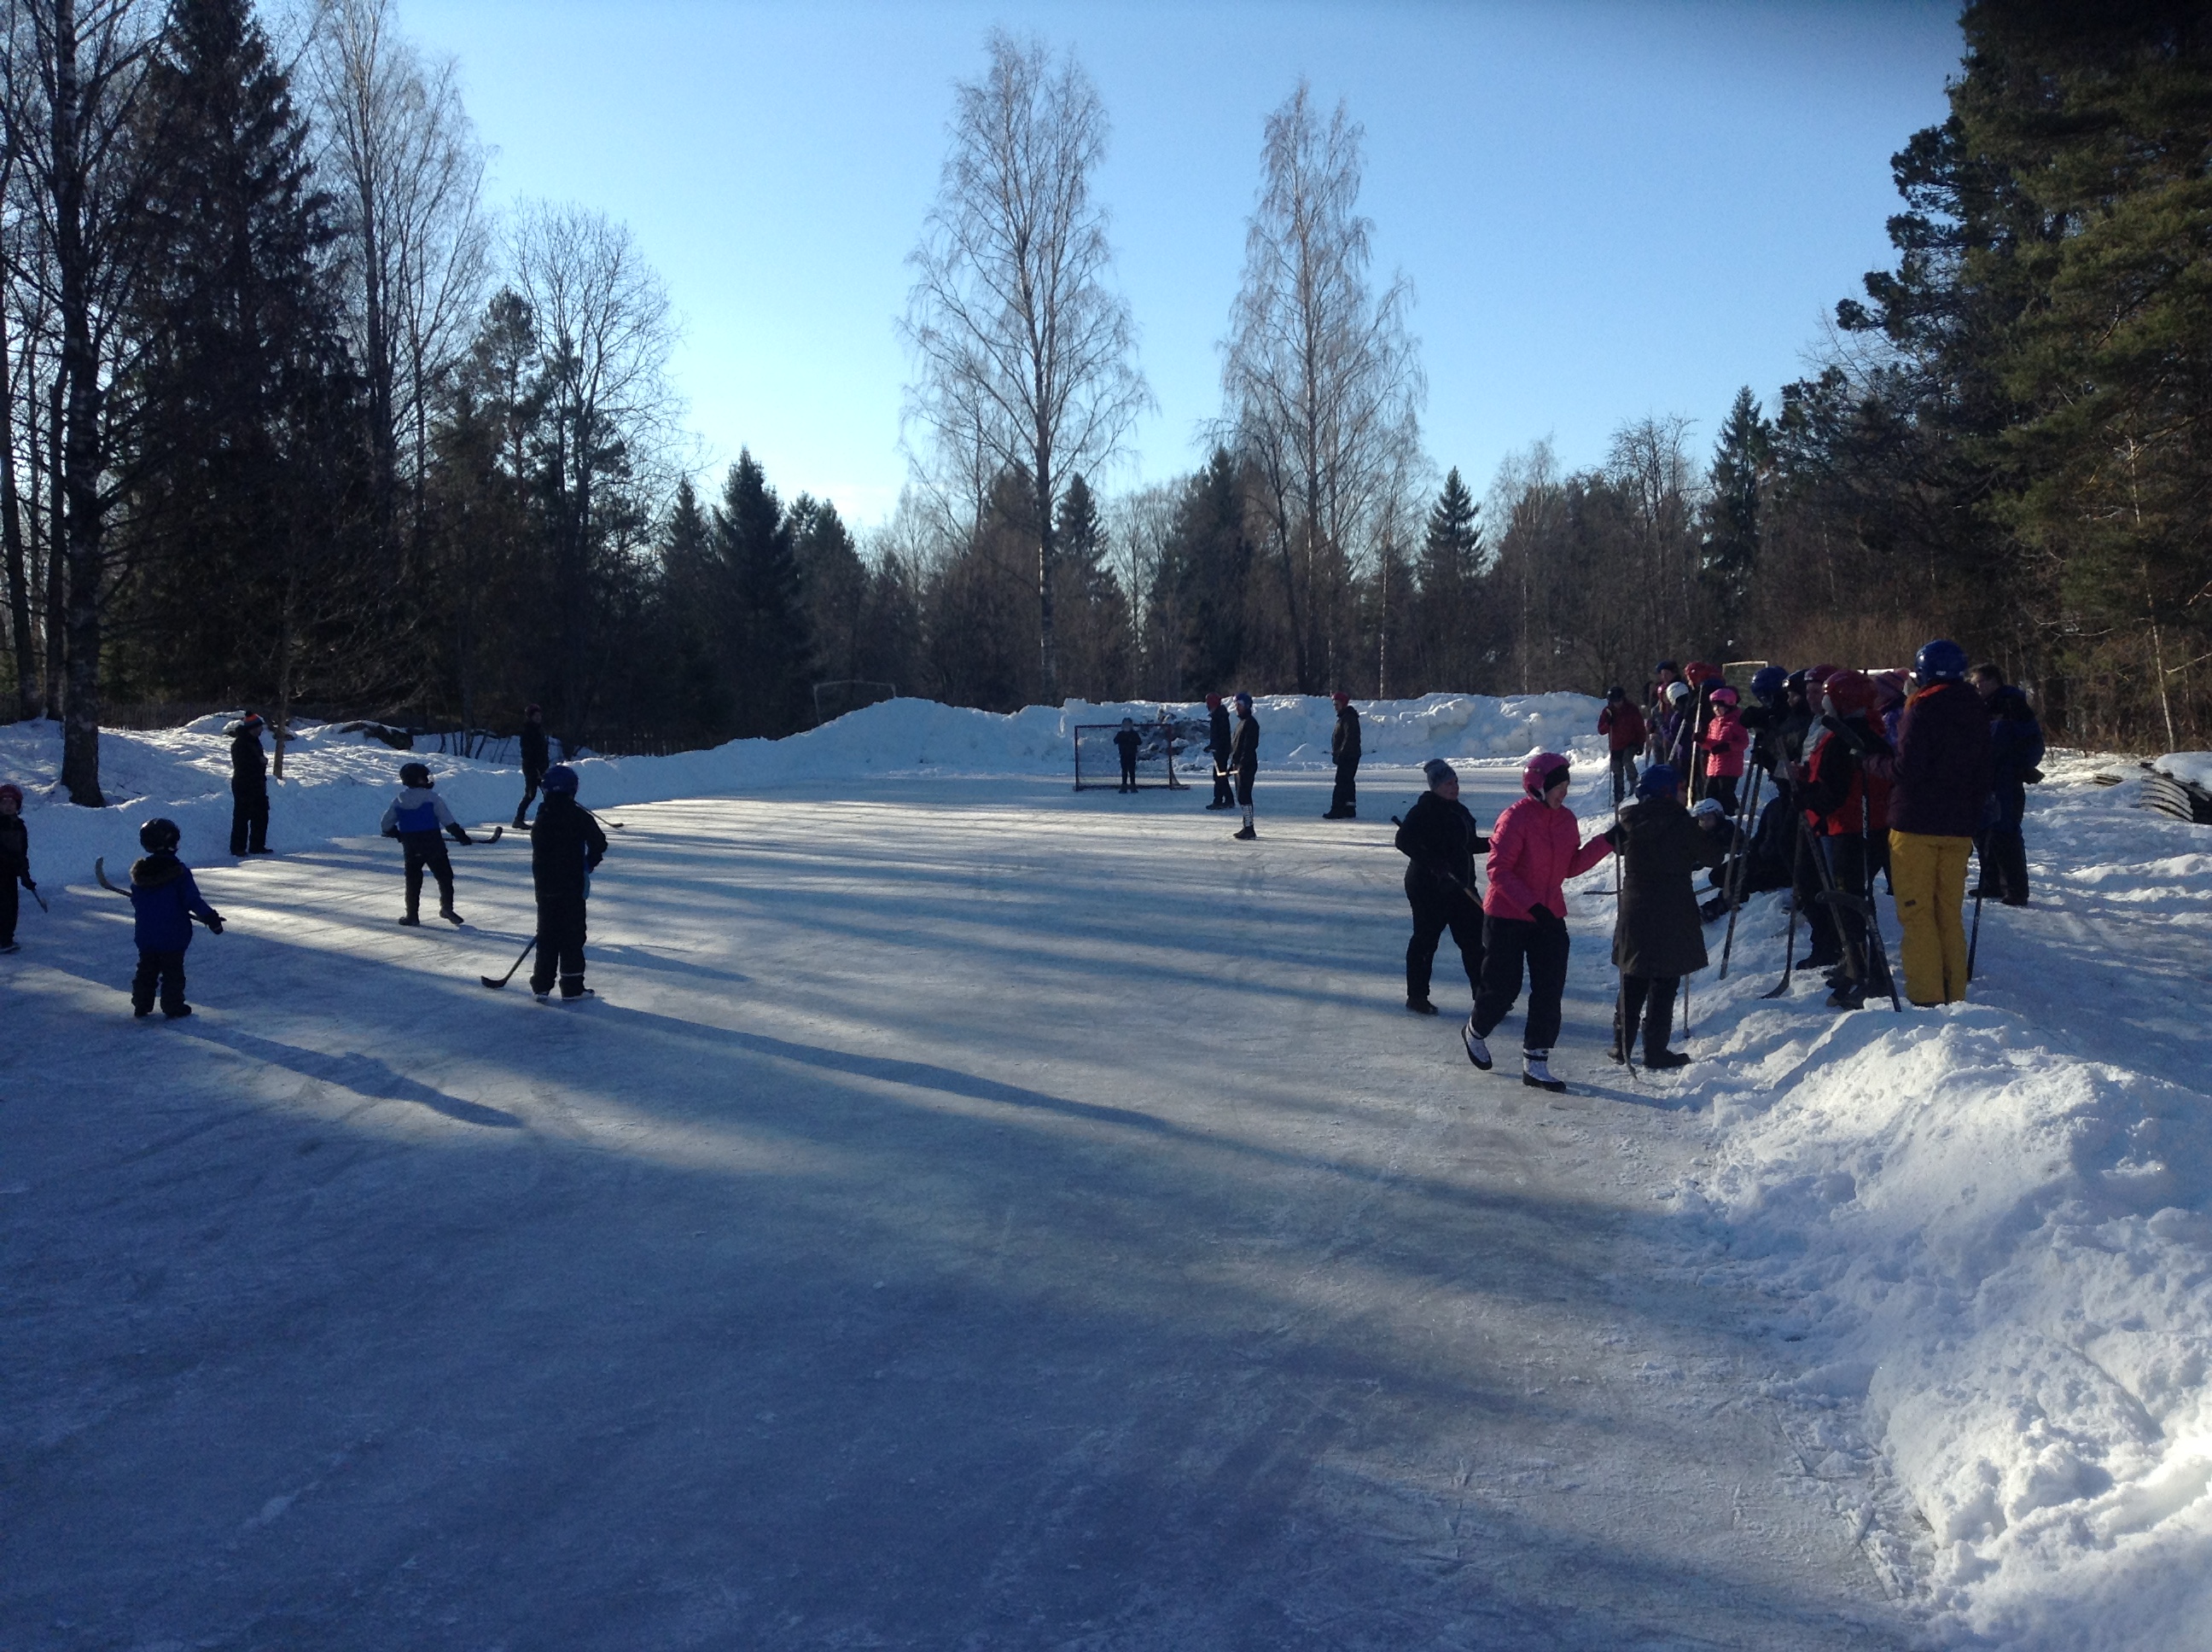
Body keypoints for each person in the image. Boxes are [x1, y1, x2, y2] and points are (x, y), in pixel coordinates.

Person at [1462, 752, 1615, 1092]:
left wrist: (1607, 842)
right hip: (1507, 914)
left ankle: (1536, 1060)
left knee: (1550, 987)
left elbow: (1570, 866)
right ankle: (1476, 1030)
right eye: (1558, 786)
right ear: (1539, 786)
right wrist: (1531, 905)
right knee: (1503, 988)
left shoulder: (1566, 820)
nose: (1564, 792)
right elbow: (1498, 870)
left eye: (1566, 786)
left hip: (1549, 915)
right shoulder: (1515, 818)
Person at [1887, 639, 1994, 1005]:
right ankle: (1954, 992)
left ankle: (1927, 995)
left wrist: (1871, 761)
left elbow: (1907, 769)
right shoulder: (1976, 708)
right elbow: (1984, 768)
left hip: (1916, 824)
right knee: (1948, 913)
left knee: (1917, 912)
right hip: (1959, 826)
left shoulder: (1922, 708)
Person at [1610, 765, 1726, 1069]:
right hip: (1673, 911)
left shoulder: (1630, 821)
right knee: (1664, 982)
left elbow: (1615, 847)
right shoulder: (1682, 824)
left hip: (1636, 909)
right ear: (1666, 791)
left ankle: (1621, 1044)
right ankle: (1655, 1050)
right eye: (1680, 789)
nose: (1683, 794)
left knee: (1633, 976)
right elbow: (1713, 857)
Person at [1798, 669, 1895, 1009]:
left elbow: (1833, 793)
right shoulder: (1867, 732)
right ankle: (1856, 966)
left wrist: (1805, 797)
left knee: (1852, 903)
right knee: (1849, 901)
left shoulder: (1845, 738)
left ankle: (1873, 975)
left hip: (1850, 831)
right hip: (1863, 829)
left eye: (1826, 696)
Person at [1395, 759, 1489, 1015]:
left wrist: (1495, 844)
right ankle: (1417, 997)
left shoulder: (1460, 811)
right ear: (1435, 786)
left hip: (1460, 885)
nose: (1454, 787)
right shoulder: (1424, 810)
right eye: (1448, 783)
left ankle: (1485, 998)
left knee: (1473, 942)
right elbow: (1403, 840)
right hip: (1428, 889)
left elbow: (1468, 844)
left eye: (1456, 781)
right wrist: (1432, 863)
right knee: (1425, 941)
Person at [127, 817, 224, 1018]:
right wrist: (211, 918)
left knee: (146, 968)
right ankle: (173, 1005)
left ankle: (141, 1003)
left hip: (146, 934)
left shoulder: (140, 875)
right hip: (173, 934)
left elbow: (137, 901)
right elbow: (192, 900)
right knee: (172, 972)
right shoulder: (179, 872)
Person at [530, 765, 608, 1002]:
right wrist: (587, 864)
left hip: (545, 888)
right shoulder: (578, 816)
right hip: (572, 887)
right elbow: (599, 843)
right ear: (573, 789)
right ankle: (572, 987)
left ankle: (542, 985)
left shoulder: (542, 816)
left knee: (547, 936)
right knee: (572, 936)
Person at [1975, 663, 2043, 906]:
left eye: (1979, 682)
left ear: (1994, 681)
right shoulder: (1982, 706)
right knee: (1983, 832)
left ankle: (2016, 889)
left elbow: (2033, 743)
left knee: (2005, 832)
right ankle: (1991, 882)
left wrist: (2017, 766)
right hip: (1984, 779)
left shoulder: (2013, 705)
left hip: (2006, 780)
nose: (1976, 687)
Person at [381, 761, 478, 927]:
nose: (427, 780)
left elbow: (386, 825)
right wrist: (461, 836)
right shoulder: (432, 798)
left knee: (413, 880)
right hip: (433, 844)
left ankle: (412, 915)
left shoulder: (399, 800)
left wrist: (397, 834)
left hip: (411, 847)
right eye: (424, 777)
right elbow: (448, 821)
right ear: (418, 779)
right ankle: (446, 907)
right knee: (444, 877)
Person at [1697, 684, 1749, 816]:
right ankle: (1712, 818)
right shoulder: (1714, 723)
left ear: (1728, 705)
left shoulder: (1737, 722)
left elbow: (1743, 743)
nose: (1716, 710)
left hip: (1730, 767)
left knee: (1725, 794)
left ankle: (1733, 816)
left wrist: (1727, 746)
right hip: (1714, 766)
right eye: (1714, 707)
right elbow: (1712, 745)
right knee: (1709, 794)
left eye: (1719, 707)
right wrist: (1702, 741)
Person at [229, 713, 271, 856]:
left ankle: (257, 846)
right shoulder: (240, 744)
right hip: (243, 784)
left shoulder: (255, 741)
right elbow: (242, 765)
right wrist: (259, 761)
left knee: (261, 815)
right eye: (260, 727)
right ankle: (238, 848)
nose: (262, 730)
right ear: (253, 728)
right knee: (242, 816)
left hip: (257, 783)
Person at [1598, 687, 1647, 807]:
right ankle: (1618, 796)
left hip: (1631, 743)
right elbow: (1601, 730)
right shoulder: (1608, 712)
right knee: (1617, 770)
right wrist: (1608, 723)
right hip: (1615, 745)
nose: (1617, 704)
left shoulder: (1631, 709)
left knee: (1627, 760)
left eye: (1619, 700)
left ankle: (1634, 784)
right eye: (1614, 701)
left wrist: (1641, 743)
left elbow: (1640, 727)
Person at [0, 782, 33, 953]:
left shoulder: (20, 827)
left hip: (10, 874)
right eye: (4, 802)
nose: (8, 806)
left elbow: (22, 853)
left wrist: (25, 875)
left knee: (11, 906)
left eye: (11, 803)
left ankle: (6, 939)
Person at [1324, 692, 1361, 819]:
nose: (1335, 707)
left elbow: (1349, 738)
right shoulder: (1346, 717)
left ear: (1343, 704)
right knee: (1348, 782)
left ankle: (1337, 809)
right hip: (1350, 755)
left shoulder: (1348, 718)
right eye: (1334, 704)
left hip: (1348, 756)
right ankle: (1349, 808)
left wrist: (1341, 754)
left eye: (1337, 704)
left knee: (1341, 782)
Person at [1229, 692, 1260, 841]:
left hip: (1246, 766)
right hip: (1239, 765)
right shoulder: (1241, 723)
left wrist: (1242, 764)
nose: (1237, 707)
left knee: (1245, 796)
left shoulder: (1251, 723)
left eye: (1239, 705)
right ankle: (1247, 826)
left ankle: (1249, 827)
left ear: (1246, 706)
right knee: (1241, 796)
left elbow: (1248, 747)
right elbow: (1236, 747)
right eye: (1236, 705)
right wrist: (1233, 763)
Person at [515, 703, 550, 829]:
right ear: (530, 717)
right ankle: (518, 819)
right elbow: (527, 752)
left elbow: (543, 751)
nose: (538, 717)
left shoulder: (539, 730)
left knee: (548, 793)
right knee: (531, 794)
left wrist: (544, 766)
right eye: (536, 716)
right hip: (532, 768)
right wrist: (535, 769)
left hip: (541, 767)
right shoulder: (528, 731)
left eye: (539, 715)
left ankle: (549, 818)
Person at [1644, 661, 1681, 761]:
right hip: (1662, 734)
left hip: (1673, 734)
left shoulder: (1679, 688)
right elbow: (1657, 710)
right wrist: (1652, 726)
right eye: (1662, 674)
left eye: (1667, 674)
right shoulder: (1660, 688)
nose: (1664, 677)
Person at [1204, 694, 1234, 810]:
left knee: (1219, 776)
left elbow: (1222, 736)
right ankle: (1225, 799)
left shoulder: (1219, 716)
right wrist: (1211, 746)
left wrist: (1216, 747)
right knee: (1220, 776)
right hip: (1220, 749)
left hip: (1221, 751)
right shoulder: (1218, 715)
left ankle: (1220, 800)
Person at [1113, 717, 1142, 793]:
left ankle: (1133, 786)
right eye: (1125, 724)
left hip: (1132, 755)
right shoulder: (1120, 734)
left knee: (1132, 771)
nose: (1127, 726)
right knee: (1124, 771)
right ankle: (1124, 786)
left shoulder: (1134, 734)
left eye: (1128, 724)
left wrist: (1132, 740)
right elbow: (1115, 741)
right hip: (1123, 755)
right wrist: (1122, 739)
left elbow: (1139, 742)